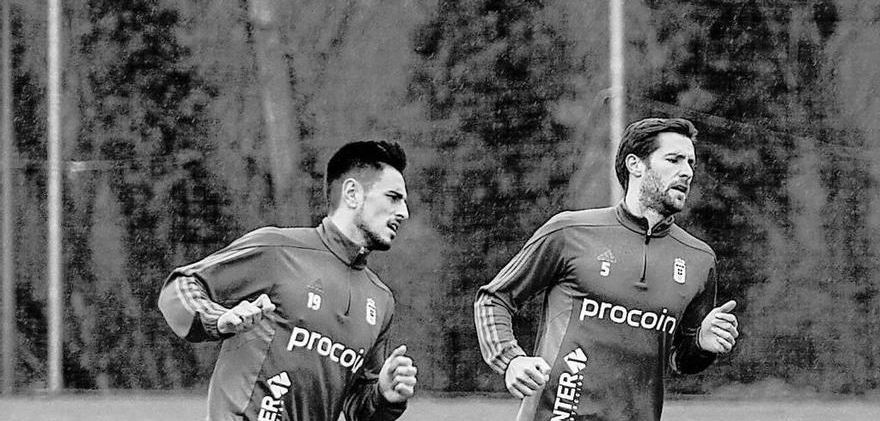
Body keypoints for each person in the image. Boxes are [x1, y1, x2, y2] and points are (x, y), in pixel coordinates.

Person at [474, 118, 739, 421]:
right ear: (635, 165)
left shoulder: (699, 259)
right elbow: (493, 299)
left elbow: (680, 358)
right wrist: (511, 360)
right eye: (674, 159)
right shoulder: (570, 232)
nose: (687, 172)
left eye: (691, 163)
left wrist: (702, 344)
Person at [158, 140, 417, 421]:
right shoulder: (278, 250)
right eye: (393, 197)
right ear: (352, 193)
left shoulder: (381, 300)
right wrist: (217, 319)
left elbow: (358, 407)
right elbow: (181, 286)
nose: (404, 212)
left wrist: (384, 394)